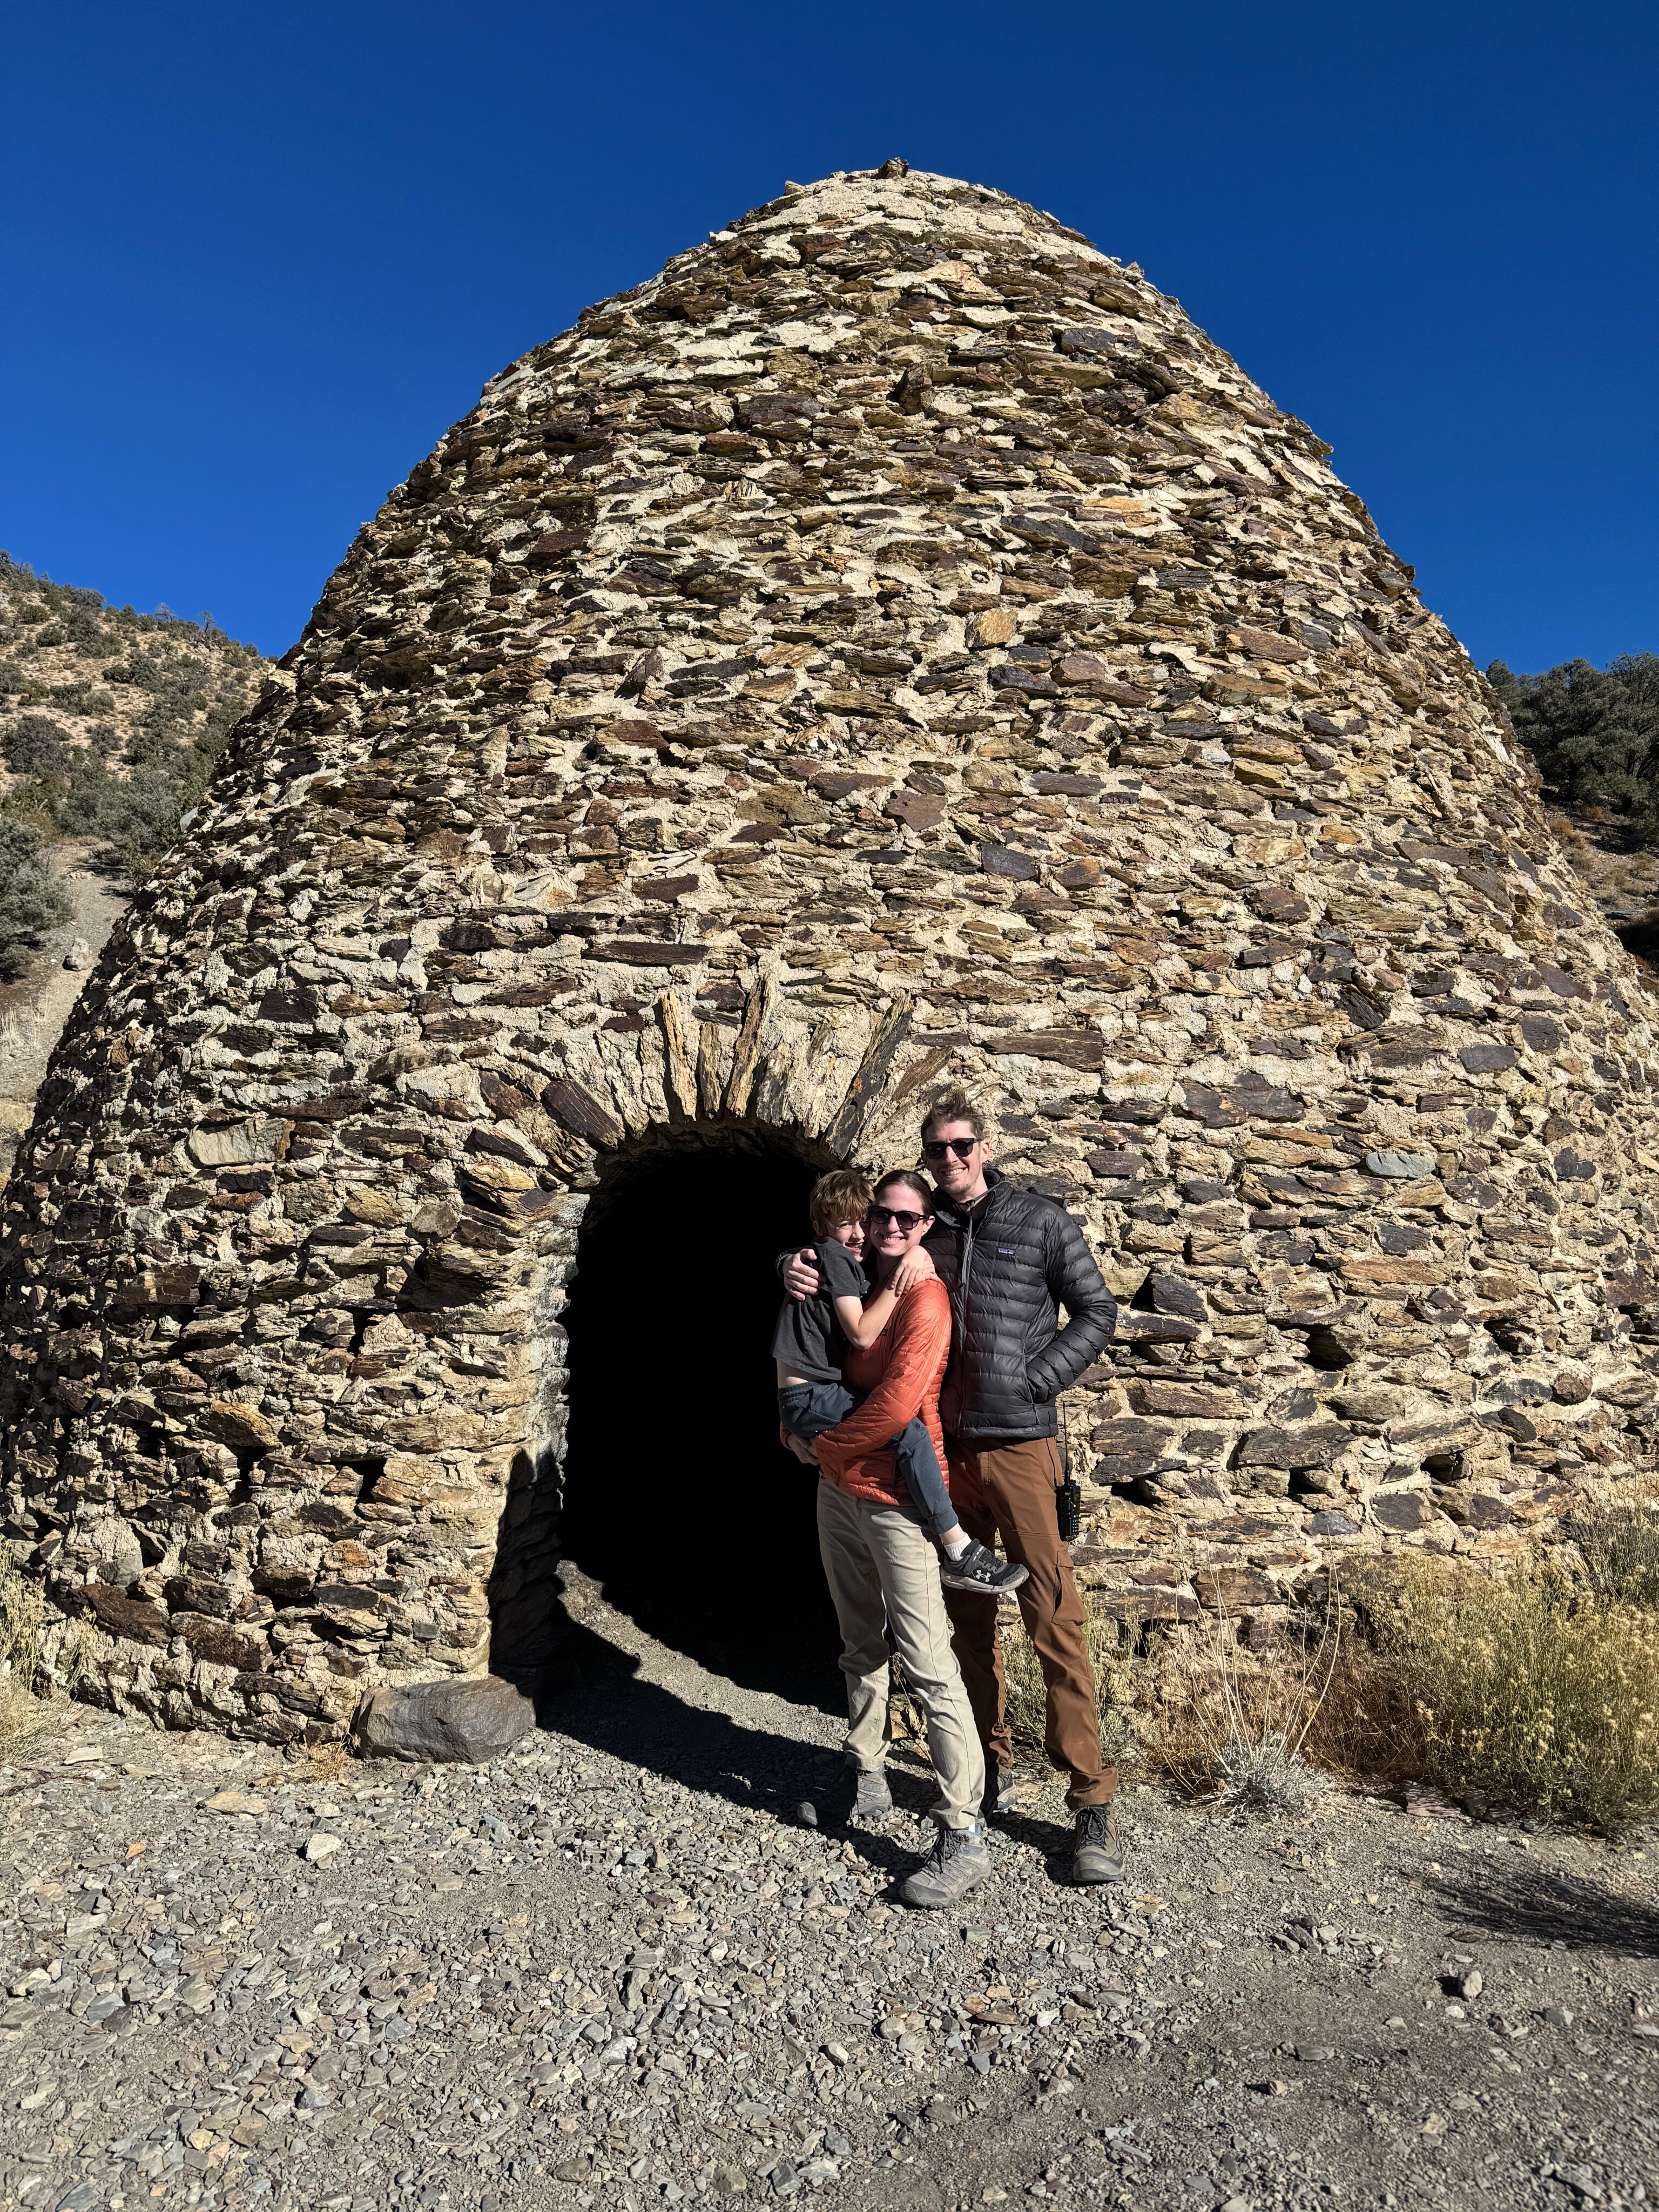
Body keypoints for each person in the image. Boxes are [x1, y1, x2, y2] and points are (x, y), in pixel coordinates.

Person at [783, 1091, 1123, 1885]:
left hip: (1022, 1448)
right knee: (965, 1622)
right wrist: (789, 1263)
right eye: (937, 1148)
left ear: (984, 1143)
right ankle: (991, 1771)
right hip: (943, 1455)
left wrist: (1034, 1383)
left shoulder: (1040, 1221)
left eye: (961, 1145)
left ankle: (1090, 1802)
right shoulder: (916, 1228)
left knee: (1053, 1616)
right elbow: (839, 1253)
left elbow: (1097, 1311)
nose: (949, 1159)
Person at [785, 1169, 992, 1910]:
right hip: (841, 1493)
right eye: (883, 1216)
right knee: (858, 1642)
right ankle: (867, 1769)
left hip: (898, 1499)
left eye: (908, 1219)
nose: (892, 1228)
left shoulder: (923, 1299)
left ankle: (963, 1830)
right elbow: (811, 1335)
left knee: (929, 1661)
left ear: (927, 1226)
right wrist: (787, 1264)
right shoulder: (850, 1276)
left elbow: (902, 1404)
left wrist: (830, 1449)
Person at [773, 1168, 1028, 1599]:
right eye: (869, 1219)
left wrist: (917, 1259)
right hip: (811, 1401)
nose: (862, 1233)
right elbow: (861, 1335)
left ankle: (958, 1548)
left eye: (863, 1221)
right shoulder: (842, 1262)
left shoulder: (864, 1270)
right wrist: (788, 1262)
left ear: (926, 1225)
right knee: (909, 1434)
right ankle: (958, 1548)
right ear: (823, 1227)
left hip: (815, 1407)